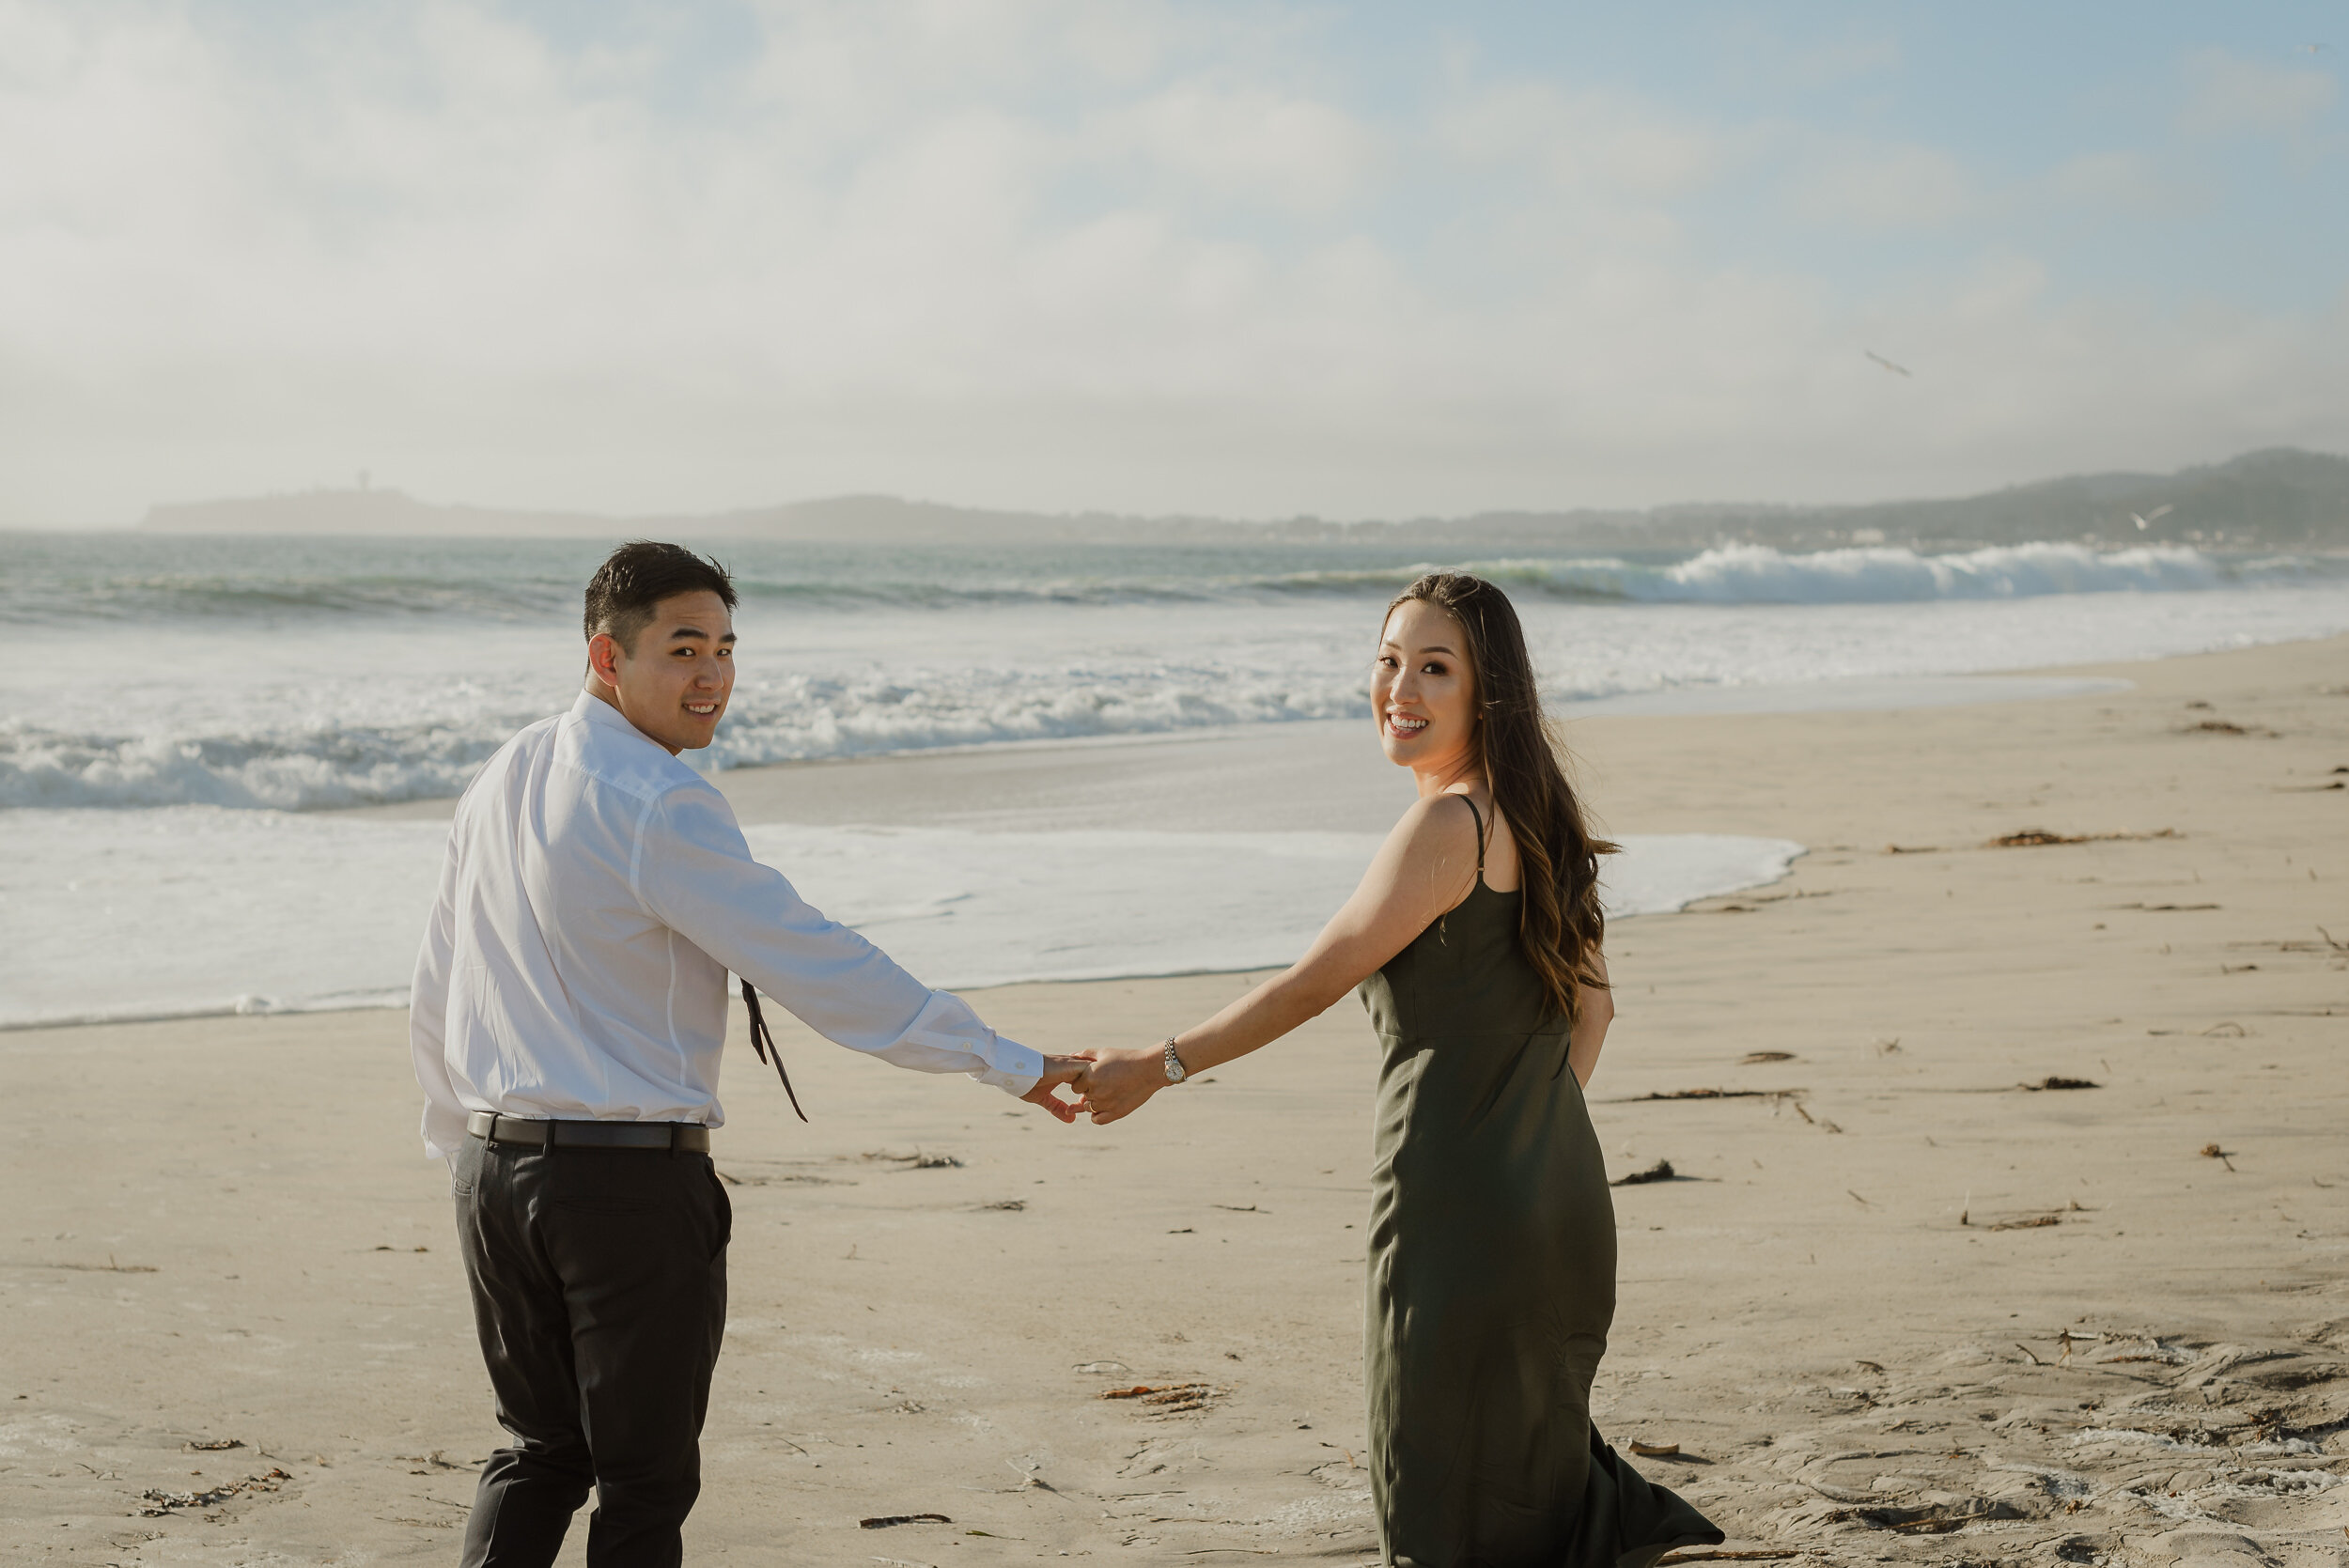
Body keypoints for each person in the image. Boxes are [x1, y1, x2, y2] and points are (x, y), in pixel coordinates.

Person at [409, 540, 1088, 1568]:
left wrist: (462, 1148)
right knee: (643, 1484)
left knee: (538, 1452)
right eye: (684, 649)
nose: (714, 675)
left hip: (495, 1175)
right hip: (621, 1191)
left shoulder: (503, 772)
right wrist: (1009, 1061)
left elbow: (439, 976)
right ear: (607, 654)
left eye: (726, 647)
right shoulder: (656, 800)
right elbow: (820, 962)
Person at [1074, 572, 1723, 1568]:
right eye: (1387, 661)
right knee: (1524, 1478)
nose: (1399, 688)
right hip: (1558, 1200)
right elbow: (1591, 1010)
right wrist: (1520, 1131)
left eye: (1433, 667)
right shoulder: (1536, 814)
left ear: (1487, 691)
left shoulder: (1445, 827)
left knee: (1437, 1491)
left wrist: (1161, 1063)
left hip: (1454, 1212)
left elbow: (1311, 983)